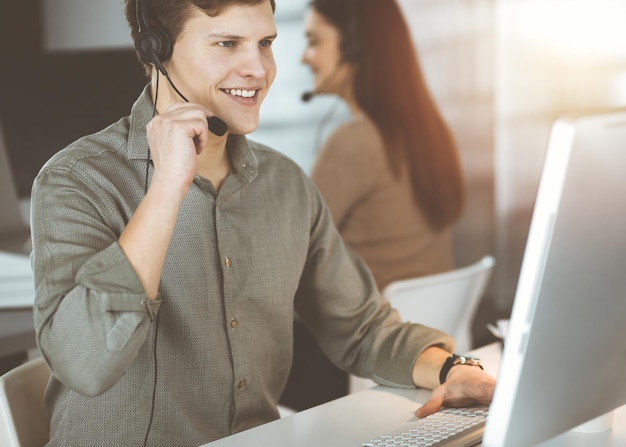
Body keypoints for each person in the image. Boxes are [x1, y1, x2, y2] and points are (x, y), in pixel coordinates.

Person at [29, 0, 495, 445]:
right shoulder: (77, 180)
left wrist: (456, 369)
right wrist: (168, 184)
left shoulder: (285, 185)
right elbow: (86, 363)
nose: (259, 69)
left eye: (266, 44)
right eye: (227, 44)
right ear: (157, 50)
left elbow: (361, 329)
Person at [303, 0, 465, 292]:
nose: (305, 57)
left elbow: (293, 249)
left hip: (373, 334)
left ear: (354, 47)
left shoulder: (353, 142)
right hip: (428, 329)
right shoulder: (430, 131)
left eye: (314, 42)